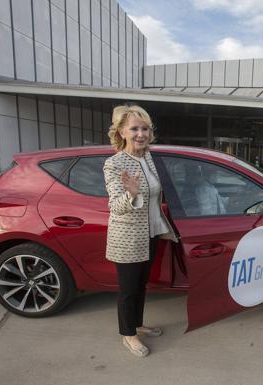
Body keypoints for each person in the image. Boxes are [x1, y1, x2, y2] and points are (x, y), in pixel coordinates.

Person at [103, 104, 178, 358]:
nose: (141, 134)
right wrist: (131, 193)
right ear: (122, 132)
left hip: (151, 233)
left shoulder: (150, 157)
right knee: (128, 288)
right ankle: (128, 335)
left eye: (145, 128)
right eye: (134, 128)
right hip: (127, 238)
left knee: (142, 284)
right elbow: (115, 205)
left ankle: (138, 324)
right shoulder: (114, 163)